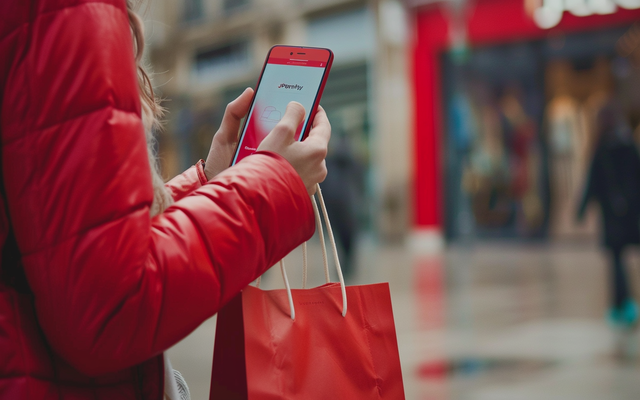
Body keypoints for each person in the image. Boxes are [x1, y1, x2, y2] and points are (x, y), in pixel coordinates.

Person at [0, 0, 331, 399]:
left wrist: (210, 182)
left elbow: (77, 234)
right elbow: (110, 306)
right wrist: (275, 184)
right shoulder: (67, 10)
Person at [578, 100, 640, 329]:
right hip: (627, 213)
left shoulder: (602, 147)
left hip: (613, 216)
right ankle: (623, 305)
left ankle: (620, 305)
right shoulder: (626, 144)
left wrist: (582, 210)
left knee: (616, 262)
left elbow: (592, 183)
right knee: (618, 262)